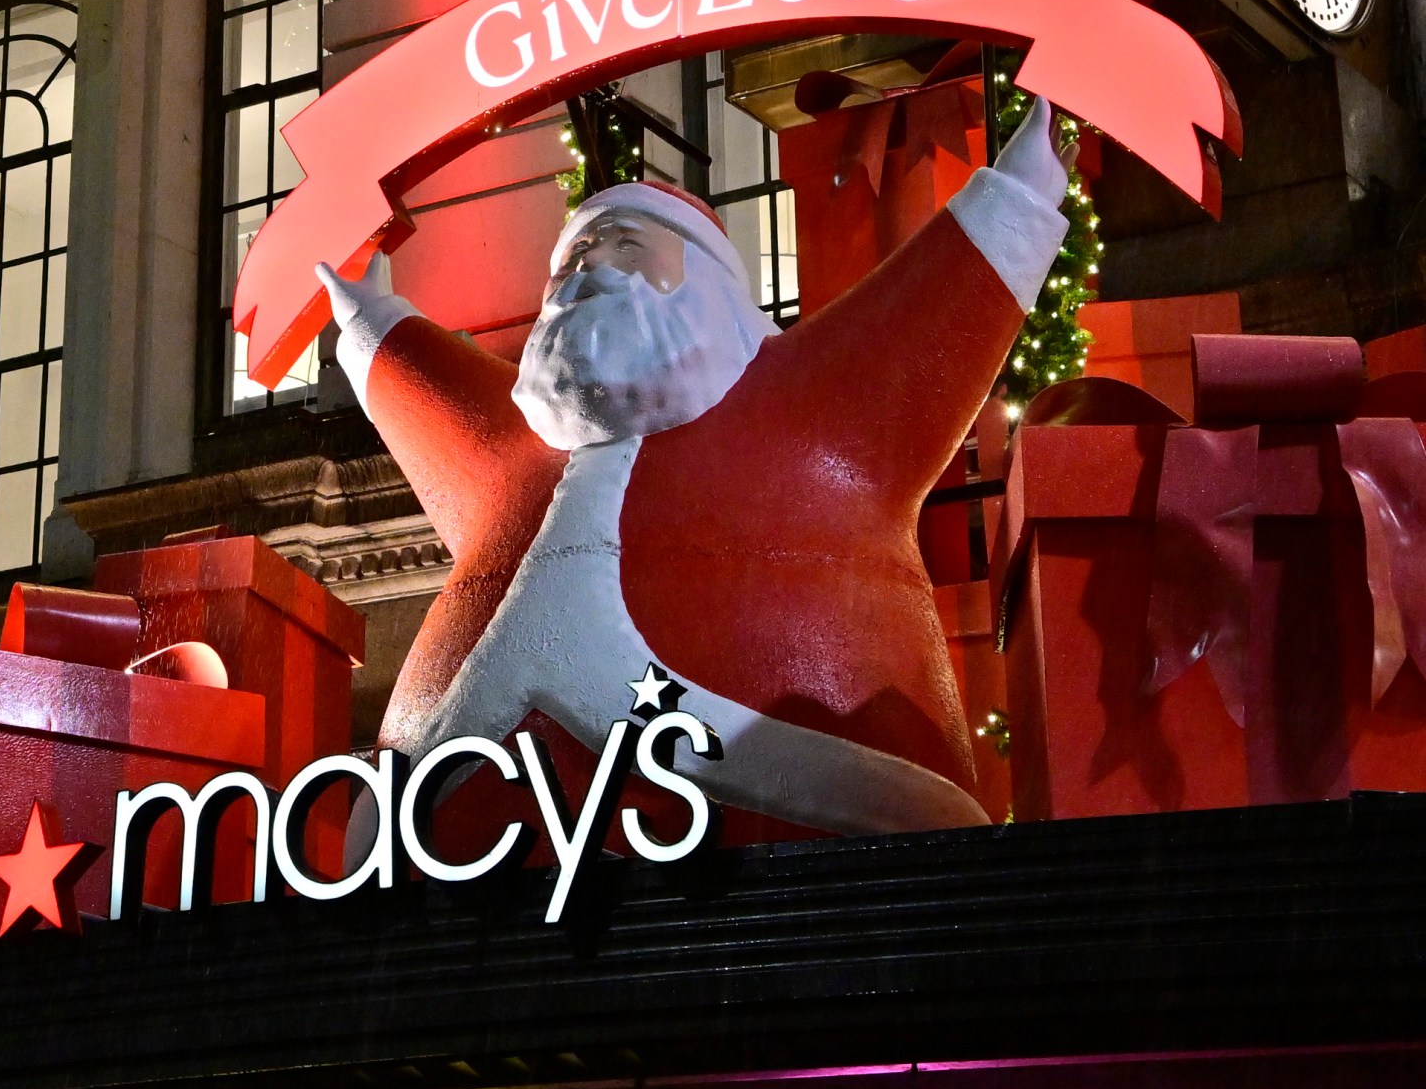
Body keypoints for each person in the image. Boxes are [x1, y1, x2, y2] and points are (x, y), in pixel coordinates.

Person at [314, 102, 1074, 835]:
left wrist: (1020, 195)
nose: (588, 270)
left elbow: (930, 309)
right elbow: (433, 393)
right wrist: (367, 318)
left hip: (809, 826)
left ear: (712, 282)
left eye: (623, 246)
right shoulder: (509, 452)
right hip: (465, 858)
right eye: (572, 258)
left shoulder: (810, 406)